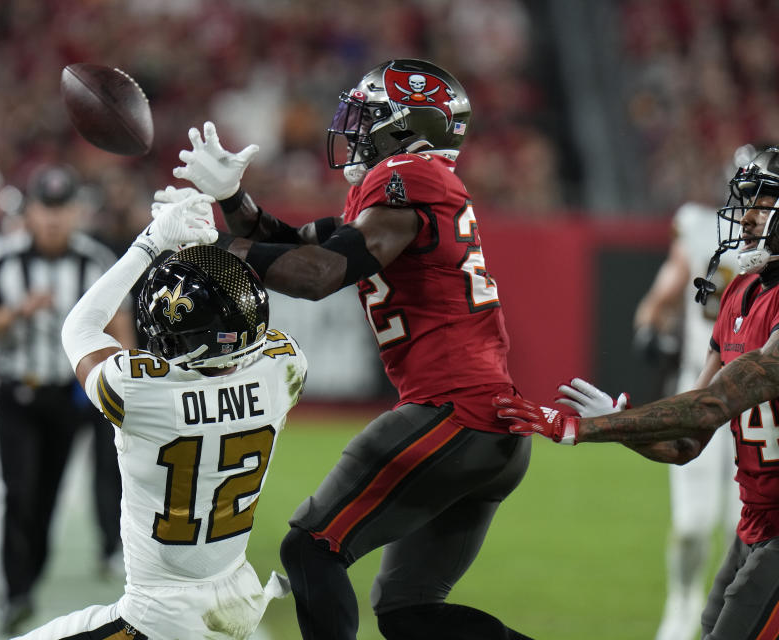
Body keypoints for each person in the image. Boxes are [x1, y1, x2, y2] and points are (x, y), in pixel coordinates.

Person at [174, 58, 533, 640]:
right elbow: (294, 244)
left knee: (311, 547)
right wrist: (233, 201)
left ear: (405, 127)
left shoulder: (408, 178)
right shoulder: (411, 188)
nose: (354, 131)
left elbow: (317, 276)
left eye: (368, 119)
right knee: (409, 611)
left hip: (453, 412)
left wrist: (209, 245)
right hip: (487, 424)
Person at [494, 147, 779, 640]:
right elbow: (688, 441)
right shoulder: (739, 293)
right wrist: (619, 425)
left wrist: (590, 427)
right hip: (754, 527)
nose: (747, 216)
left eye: (764, 202)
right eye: (747, 200)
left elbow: (713, 405)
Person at [15, 189, 304, 640]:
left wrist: (151, 243)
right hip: (239, 595)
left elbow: (79, 328)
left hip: (161, 617)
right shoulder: (284, 368)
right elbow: (234, 326)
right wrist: (206, 254)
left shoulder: (140, 393)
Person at [0, 164, 134, 634]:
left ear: (76, 212)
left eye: (62, 209)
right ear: (30, 212)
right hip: (15, 394)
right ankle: (14, 593)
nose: (53, 220)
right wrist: (16, 313)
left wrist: (127, 377)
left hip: (68, 398)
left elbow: (121, 327)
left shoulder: (94, 260)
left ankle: (27, 578)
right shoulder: (0, 259)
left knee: (47, 498)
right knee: (17, 492)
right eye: (45, 209)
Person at [634, 188, 743, 640]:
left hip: (758, 406)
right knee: (694, 524)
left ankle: (728, 619)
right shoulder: (704, 230)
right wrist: (650, 331)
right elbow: (658, 301)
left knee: (743, 528)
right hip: (699, 394)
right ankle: (681, 604)